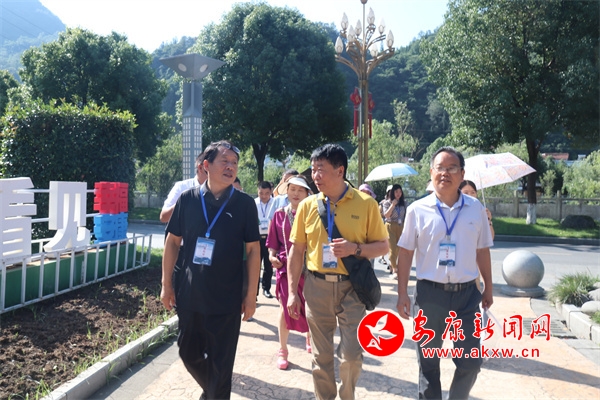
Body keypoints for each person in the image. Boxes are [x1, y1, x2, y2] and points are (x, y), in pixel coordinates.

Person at [287, 144, 389, 400]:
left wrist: (355, 248)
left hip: (352, 287)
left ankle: (347, 396)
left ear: (340, 170)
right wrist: (292, 292)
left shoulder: (366, 204)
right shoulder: (307, 206)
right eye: (313, 170)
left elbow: (383, 246)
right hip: (316, 287)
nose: (315, 176)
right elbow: (296, 252)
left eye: (320, 169)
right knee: (320, 356)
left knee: (352, 354)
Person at [161, 140, 261, 400]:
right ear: (206, 165)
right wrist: (166, 285)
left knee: (221, 365)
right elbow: (172, 242)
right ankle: (213, 392)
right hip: (191, 293)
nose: (230, 167)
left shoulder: (244, 204)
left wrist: (251, 295)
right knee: (188, 352)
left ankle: (215, 393)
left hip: (227, 298)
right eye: (224, 161)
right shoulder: (188, 199)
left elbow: (253, 250)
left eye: (234, 163)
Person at [396, 146, 493, 400]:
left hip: (467, 296)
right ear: (431, 172)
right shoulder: (417, 210)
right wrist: (402, 293)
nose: (445, 173)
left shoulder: (475, 209)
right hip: (430, 295)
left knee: (471, 362)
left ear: (462, 174)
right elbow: (405, 253)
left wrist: (489, 288)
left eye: (452, 168)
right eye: (440, 168)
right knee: (428, 364)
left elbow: (483, 250)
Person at [266, 175, 312, 370]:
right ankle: (283, 350)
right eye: (292, 189)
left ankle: (310, 337)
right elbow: (272, 242)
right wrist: (271, 256)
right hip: (285, 269)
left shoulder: (314, 214)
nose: (296, 193)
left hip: (310, 268)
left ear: (307, 193)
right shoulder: (279, 215)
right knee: (285, 308)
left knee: (311, 307)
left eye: (300, 190)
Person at [160, 152, 207, 223]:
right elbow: (163, 217)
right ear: (200, 168)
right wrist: (183, 203)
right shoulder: (182, 187)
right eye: (209, 167)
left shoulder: (220, 190)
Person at [380, 183, 406, 279]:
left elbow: (406, 215)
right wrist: (393, 205)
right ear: (392, 193)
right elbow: (386, 215)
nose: (398, 194)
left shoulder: (404, 203)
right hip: (390, 225)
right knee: (392, 248)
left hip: (401, 226)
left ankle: (393, 265)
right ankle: (395, 269)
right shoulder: (386, 203)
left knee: (399, 248)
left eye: (400, 192)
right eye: (396, 192)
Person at [255, 180, 275, 298]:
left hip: (269, 237)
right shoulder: (253, 203)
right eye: (261, 193)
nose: (263, 196)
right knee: (255, 265)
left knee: (268, 265)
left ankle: (266, 289)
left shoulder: (275, 203)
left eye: (266, 193)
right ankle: (254, 291)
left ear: (271, 192)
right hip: (256, 238)